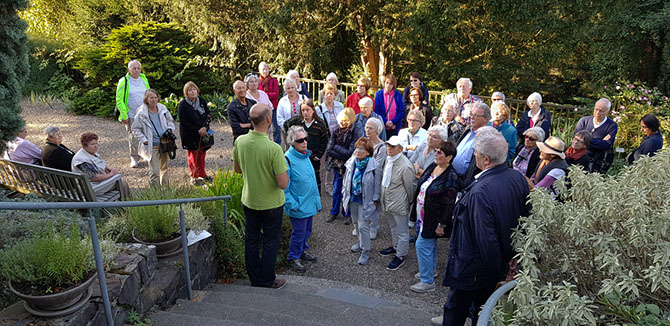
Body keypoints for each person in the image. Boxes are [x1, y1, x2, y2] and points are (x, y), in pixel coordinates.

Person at [438, 131, 530, 326]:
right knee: (484, 313)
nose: (474, 156)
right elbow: (524, 220)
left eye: (476, 153)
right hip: (494, 266)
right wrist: (513, 258)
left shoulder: (479, 192)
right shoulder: (518, 178)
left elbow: (485, 239)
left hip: (473, 269)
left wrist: (501, 271)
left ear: (486, 159)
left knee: (456, 312)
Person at [232, 103, 288, 289]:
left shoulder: (240, 141)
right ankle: (266, 279)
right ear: (268, 120)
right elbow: (283, 183)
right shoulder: (273, 149)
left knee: (251, 240)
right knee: (270, 242)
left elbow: (237, 170)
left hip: (249, 200)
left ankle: (254, 278)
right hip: (271, 204)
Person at [410, 141, 460, 293]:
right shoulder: (433, 166)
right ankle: (430, 271)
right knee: (429, 245)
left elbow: (449, 203)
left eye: (440, 152)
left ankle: (427, 282)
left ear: (449, 157)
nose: (436, 154)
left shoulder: (451, 176)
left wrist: (442, 224)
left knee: (422, 245)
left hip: (434, 218)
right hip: (422, 215)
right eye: (436, 151)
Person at [284, 126, 321, 273]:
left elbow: (311, 181)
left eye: (305, 139)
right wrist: (293, 204)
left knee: (307, 230)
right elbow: (284, 187)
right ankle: (293, 257)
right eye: (300, 140)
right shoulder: (288, 159)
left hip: (308, 203)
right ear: (292, 142)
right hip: (298, 205)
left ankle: (301, 252)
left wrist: (316, 201)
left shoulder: (304, 156)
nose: (304, 142)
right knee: (299, 232)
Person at [343, 137, 381, 265]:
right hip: (353, 198)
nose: (358, 151)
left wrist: (376, 200)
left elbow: (377, 185)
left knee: (364, 226)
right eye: (357, 147)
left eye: (362, 149)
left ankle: (366, 250)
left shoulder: (374, 166)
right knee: (356, 223)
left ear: (368, 152)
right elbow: (347, 179)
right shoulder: (352, 162)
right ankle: (360, 242)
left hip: (366, 200)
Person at [379, 136, 414, 271]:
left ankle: (401, 255)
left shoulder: (405, 166)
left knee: (402, 231)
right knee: (393, 227)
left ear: (400, 148)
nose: (389, 148)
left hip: (399, 202)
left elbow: (410, 188)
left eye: (392, 146)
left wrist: (407, 202)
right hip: (388, 201)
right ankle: (395, 247)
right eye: (388, 146)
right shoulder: (389, 160)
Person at [132, 89, 176, 186]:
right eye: (151, 98)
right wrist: (144, 140)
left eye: (155, 97)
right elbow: (135, 129)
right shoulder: (141, 113)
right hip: (152, 145)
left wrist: (169, 130)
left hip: (164, 143)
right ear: (146, 99)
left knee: (164, 169)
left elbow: (170, 121)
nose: (154, 100)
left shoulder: (162, 108)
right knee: (154, 171)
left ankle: (165, 191)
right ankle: (155, 193)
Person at [283, 99, 330, 191]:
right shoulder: (297, 121)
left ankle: (316, 198)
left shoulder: (320, 124)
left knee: (315, 177)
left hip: (313, 157)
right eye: (303, 110)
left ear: (313, 110)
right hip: (299, 155)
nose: (305, 113)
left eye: (307, 110)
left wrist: (318, 155)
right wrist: (292, 139)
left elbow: (325, 140)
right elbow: (286, 125)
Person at [326, 108, 361, 223]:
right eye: (340, 121)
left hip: (349, 165)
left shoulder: (356, 131)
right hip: (337, 165)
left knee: (348, 189)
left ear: (350, 120)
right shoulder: (335, 130)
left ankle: (347, 213)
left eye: (345, 121)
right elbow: (329, 149)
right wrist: (339, 150)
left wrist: (336, 147)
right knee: (336, 189)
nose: (341, 123)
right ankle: (334, 212)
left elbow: (350, 152)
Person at [71, 132, 130, 199]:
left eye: (96, 143)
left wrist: (111, 169)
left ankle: (125, 204)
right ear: (84, 145)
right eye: (92, 144)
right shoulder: (81, 159)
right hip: (90, 188)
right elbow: (95, 177)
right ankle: (128, 206)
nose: (96, 146)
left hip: (95, 184)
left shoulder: (91, 153)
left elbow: (101, 163)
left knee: (120, 181)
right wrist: (111, 174)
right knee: (122, 184)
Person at [116, 60, 150, 168]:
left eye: (138, 68)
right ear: (129, 69)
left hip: (145, 113)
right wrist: (124, 115)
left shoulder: (144, 79)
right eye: (133, 68)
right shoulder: (124, 81)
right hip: (131, 114)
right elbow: (119, 99)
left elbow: (148, 94)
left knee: (146, 135)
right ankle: (134, 158)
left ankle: (145, 154)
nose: (136, 70)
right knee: (134, 137)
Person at [178, 81, 212, 184]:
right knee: (193, 155)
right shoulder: (183, 104)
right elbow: (184, 122)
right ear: (186, 93)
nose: (192, 92)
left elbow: (208, 115)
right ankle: (194, 176)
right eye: (190, 90)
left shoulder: (201, 101)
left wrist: (205, 128)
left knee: (202, 153)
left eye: (194, 89)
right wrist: (198, 130)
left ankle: (202, 174)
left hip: (203, 132)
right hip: (190, 134)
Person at [574, 98, 618, 173]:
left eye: (601, 111)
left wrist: (585, 141)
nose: (597, 113)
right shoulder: (584, 121)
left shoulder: (612, 125)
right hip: (578, 157)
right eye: (596, 109)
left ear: (607, 112)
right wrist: (599, 141)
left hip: (597, 161)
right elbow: (576, 139)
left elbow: (607, 144)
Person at [359, 117, 386, 239]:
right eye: (366, 127)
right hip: (361, 177)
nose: (367, 130)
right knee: (361, 201)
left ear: (377, 130)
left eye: (370, 128)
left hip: (374, 178)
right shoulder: (363, 141)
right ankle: (362, 225)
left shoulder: (381, 147)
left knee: (373, 203)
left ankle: (373, 227)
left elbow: (377, 166)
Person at [452, 102, 491, 187]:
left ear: (485, 118)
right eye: (471, 114)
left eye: (476, 115)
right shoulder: (468, 130)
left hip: (464, 181)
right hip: (452, 175)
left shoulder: (487, 137)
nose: (472, 117)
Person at [277, 78, 308, 148]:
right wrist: (286, 128)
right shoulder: (282, 101)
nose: (291, 90)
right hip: (288, 132)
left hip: (303, 130)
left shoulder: (303, 98)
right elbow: (279, 118)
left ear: (295, 87)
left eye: (292, 87)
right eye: (288, 88)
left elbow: (310, 112)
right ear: (285, 89)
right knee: (290, 150)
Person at [258, 62, 281, 144]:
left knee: (276, 128)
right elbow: (259, 94)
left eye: (266, 69)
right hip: (262, 108)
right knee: (264, 128)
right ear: (259, 70)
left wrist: (264, 95)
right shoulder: (257, 81)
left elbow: (275, 94)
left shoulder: (273, 80)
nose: (264, 71)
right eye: (262, 69)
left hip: (273, 107)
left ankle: (277, 145)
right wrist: (266, 95)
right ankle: (265, 144)